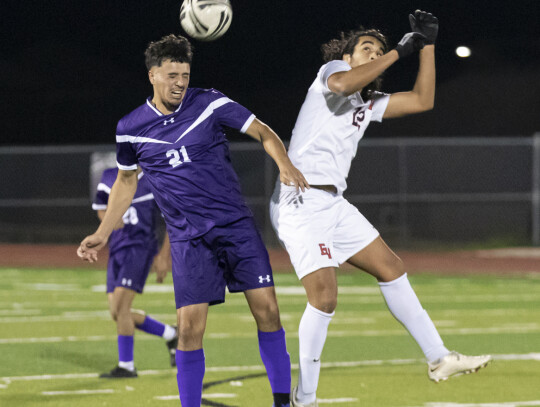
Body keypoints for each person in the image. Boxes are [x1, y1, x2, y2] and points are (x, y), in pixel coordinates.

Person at [269, 10, 491, 407]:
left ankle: (439, 358)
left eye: (378, 49)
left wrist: (427, 48)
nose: (373, 53)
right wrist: (396, 53)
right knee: (324, 297)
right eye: (366, 49)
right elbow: (342, 83)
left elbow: (423, 100)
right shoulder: (331, 74)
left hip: (333, 202)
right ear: (349, 56)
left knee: (392, 268)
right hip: (300, 200)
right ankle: (305, 399)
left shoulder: (367, 104)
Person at [78, 34, 309, 407]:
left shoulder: (209, 102)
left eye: (185, 74)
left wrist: (284, 163)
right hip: (188, 241)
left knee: (268, 311)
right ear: (153, 75)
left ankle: (283, 402)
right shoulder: (131, 127)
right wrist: (103, 232)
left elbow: (263, 132)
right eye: (172, 75)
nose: (180, 82)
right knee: (188, 330)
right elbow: (125, 181)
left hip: (235, 228)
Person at [92, 167, 178, 378]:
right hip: (117, 250)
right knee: (117, 313)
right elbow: (100, 207)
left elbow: (172, 218)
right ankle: (171, 333)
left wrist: (163, 256)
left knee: (121, 307)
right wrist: (108, 220)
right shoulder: (110, 175)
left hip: (141, 249)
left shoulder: (154, 177)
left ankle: (127, 366)